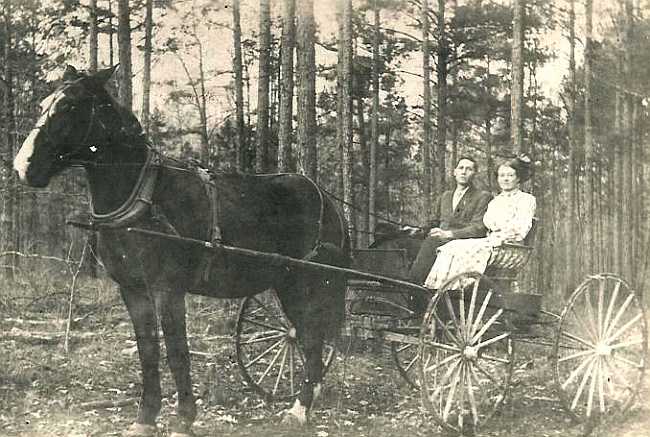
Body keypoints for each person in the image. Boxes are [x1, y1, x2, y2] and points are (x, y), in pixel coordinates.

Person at [424, 155, 536, 290]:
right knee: (451, 247)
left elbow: (520, 227)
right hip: (492, 241)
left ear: (518, 178)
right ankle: (440, 288)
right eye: (502, 176)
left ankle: (455, 287)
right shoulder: (496, 201)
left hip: (510, 247)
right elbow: (488, 222)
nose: (505, 179)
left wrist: (501, 234)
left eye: (510, 175)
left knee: (461, 249)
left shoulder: (526, 200)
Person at [407, 156, 493, 285]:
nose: (464, 172)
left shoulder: (482, 196)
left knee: (431, 242)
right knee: (403, 243)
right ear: (454, 172)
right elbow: (434, 222)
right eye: (461, 168)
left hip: (461, 243)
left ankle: (413, 287)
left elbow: (478, 227)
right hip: (439, 240)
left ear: (474, 174)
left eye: (469, 169)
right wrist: (417, 230)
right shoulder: (446, 196)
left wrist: (449, 234)